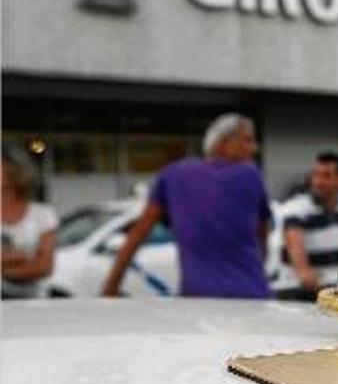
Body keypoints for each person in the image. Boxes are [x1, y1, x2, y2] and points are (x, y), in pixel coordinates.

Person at [102, 113, 272, 298]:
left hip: (197, 299)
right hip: (250, 296)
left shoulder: (173, 175)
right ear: (223, 145)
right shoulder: (250, 175)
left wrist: (111, 287)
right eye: (247, 141)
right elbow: (261, 241)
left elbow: (138, 233)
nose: (254, 149)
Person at [279, 152, 338, 299]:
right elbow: (294, 242)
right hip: (300, 291)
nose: (318, 182)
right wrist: (304, 272)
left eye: (326, 176)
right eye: (315, 175)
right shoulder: (296, 208)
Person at [1, 147, 58, 299]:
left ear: (13, 170)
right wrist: (21, 258)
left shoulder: (42, 214)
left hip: (33, 307)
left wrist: (5, 269)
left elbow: (45, 267)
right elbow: (33, 261)